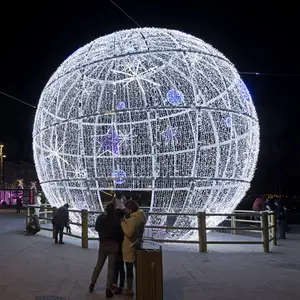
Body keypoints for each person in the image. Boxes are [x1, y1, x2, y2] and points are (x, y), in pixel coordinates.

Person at [89, 203, 123, 298]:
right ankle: (108, 289)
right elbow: (120, 234)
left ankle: (92, 283)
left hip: (103, 244)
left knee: (99, 264)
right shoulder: (116, 220)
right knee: (111, 268)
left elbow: (96, 228)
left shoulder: (100, 218)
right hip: (114, 246)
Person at [121, 200, 147, 297]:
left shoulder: (133, 219)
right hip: (137, 244)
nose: (125, 210)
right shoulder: (141, 216)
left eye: (126, 208)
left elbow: (129, 233)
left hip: (130, 246)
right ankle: (142, 286)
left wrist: (123, 222)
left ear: (130, 209)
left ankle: (130, 289)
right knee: (138, 267)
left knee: (129, 268)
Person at [111, 208, 126, 295]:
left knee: (119, 267)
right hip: (117, 248)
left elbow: (120, 237)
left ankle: (120, 286)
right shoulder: (120, 223)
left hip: (120, 248)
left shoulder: (121, 224)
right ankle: (116, 284)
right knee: (116, 267)